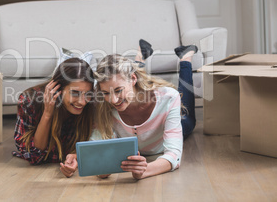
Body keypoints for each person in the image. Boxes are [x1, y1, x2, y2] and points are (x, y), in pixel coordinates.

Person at [63, 40, 198, 180]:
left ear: (133, 79)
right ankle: (140, 56)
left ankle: (185, 57)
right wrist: (79, 158)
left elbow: (174, 155)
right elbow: (97, 144)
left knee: (187, 118)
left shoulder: (168, 97)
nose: (113, 100)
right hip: (132, 81)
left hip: (169, 132)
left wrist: (144, 171)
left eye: (118, 90)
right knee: (126, 81)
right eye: (106, 93)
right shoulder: (103, 104)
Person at [12, 58, 95, 177]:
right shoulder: (29, 101)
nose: (82, 102)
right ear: (58, 89)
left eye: (88, 94)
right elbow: (33, 157)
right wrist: (47, 114)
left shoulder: (91, 104)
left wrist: (76, 158)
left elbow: (94, 146)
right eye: (75, 93)